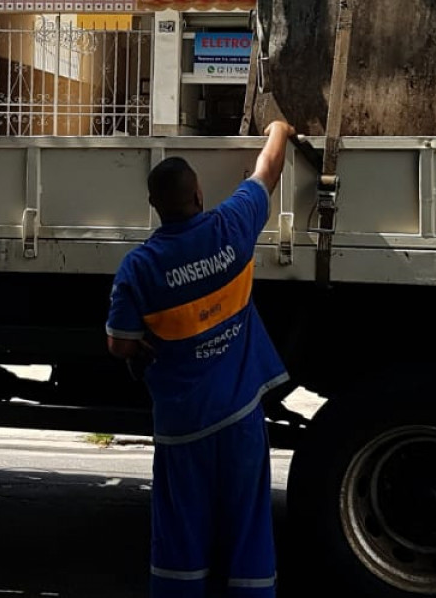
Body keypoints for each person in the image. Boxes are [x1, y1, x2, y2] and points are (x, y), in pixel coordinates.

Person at [106, 120, 296, 598]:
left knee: (180, 532)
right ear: (199, 194)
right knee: (249, 527)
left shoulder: (140, 266)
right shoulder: (233, 226)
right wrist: (279, 128)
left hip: (181, 427)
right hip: (239, 419)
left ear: (154, 206)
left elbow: (120, 344)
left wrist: (144, 345)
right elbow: (267, 169)